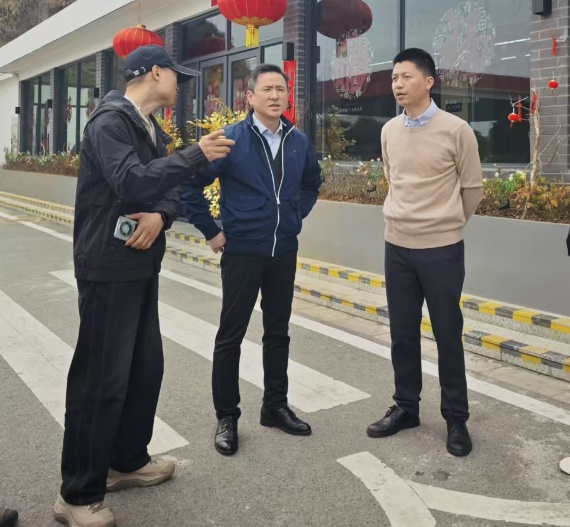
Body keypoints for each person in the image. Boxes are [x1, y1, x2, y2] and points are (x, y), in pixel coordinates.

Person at [54, 45, 234, 527]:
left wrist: (162, 216)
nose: (180, 86)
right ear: (155, 73)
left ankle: (126, 461)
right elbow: (133, 183)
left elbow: (167, 190)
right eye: (177, 76)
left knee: (143, 369)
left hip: (139, 266)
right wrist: (196, 155)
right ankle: (77, 493)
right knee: (101, 381)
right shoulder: (109, 123)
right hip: (107, 266)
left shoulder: (150, 128)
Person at [182, 64, 322, 456]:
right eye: (267, 89)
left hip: (283, 250)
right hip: (242, 250)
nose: (275, 95)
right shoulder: (231, 139)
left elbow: (312, 183)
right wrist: (211, 231)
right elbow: (190, 185)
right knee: (231, 335)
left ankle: (275, 406)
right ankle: (227, 417)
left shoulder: (298, 141)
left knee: (278, 332)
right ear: (250, 97)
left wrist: (293, 215)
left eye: (281, 89)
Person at [366, 48, 483, 457]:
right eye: (394, 78)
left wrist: (446, 224)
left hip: (442, 249)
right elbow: (393, 179)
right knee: (402, 331)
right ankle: (406, 407)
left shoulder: (456, 130)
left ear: (429, 81)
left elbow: (472, 189)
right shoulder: (389, 130)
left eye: (406, 77)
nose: (398, 84)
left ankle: (456, 418)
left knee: (447, 333)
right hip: (397, 245)